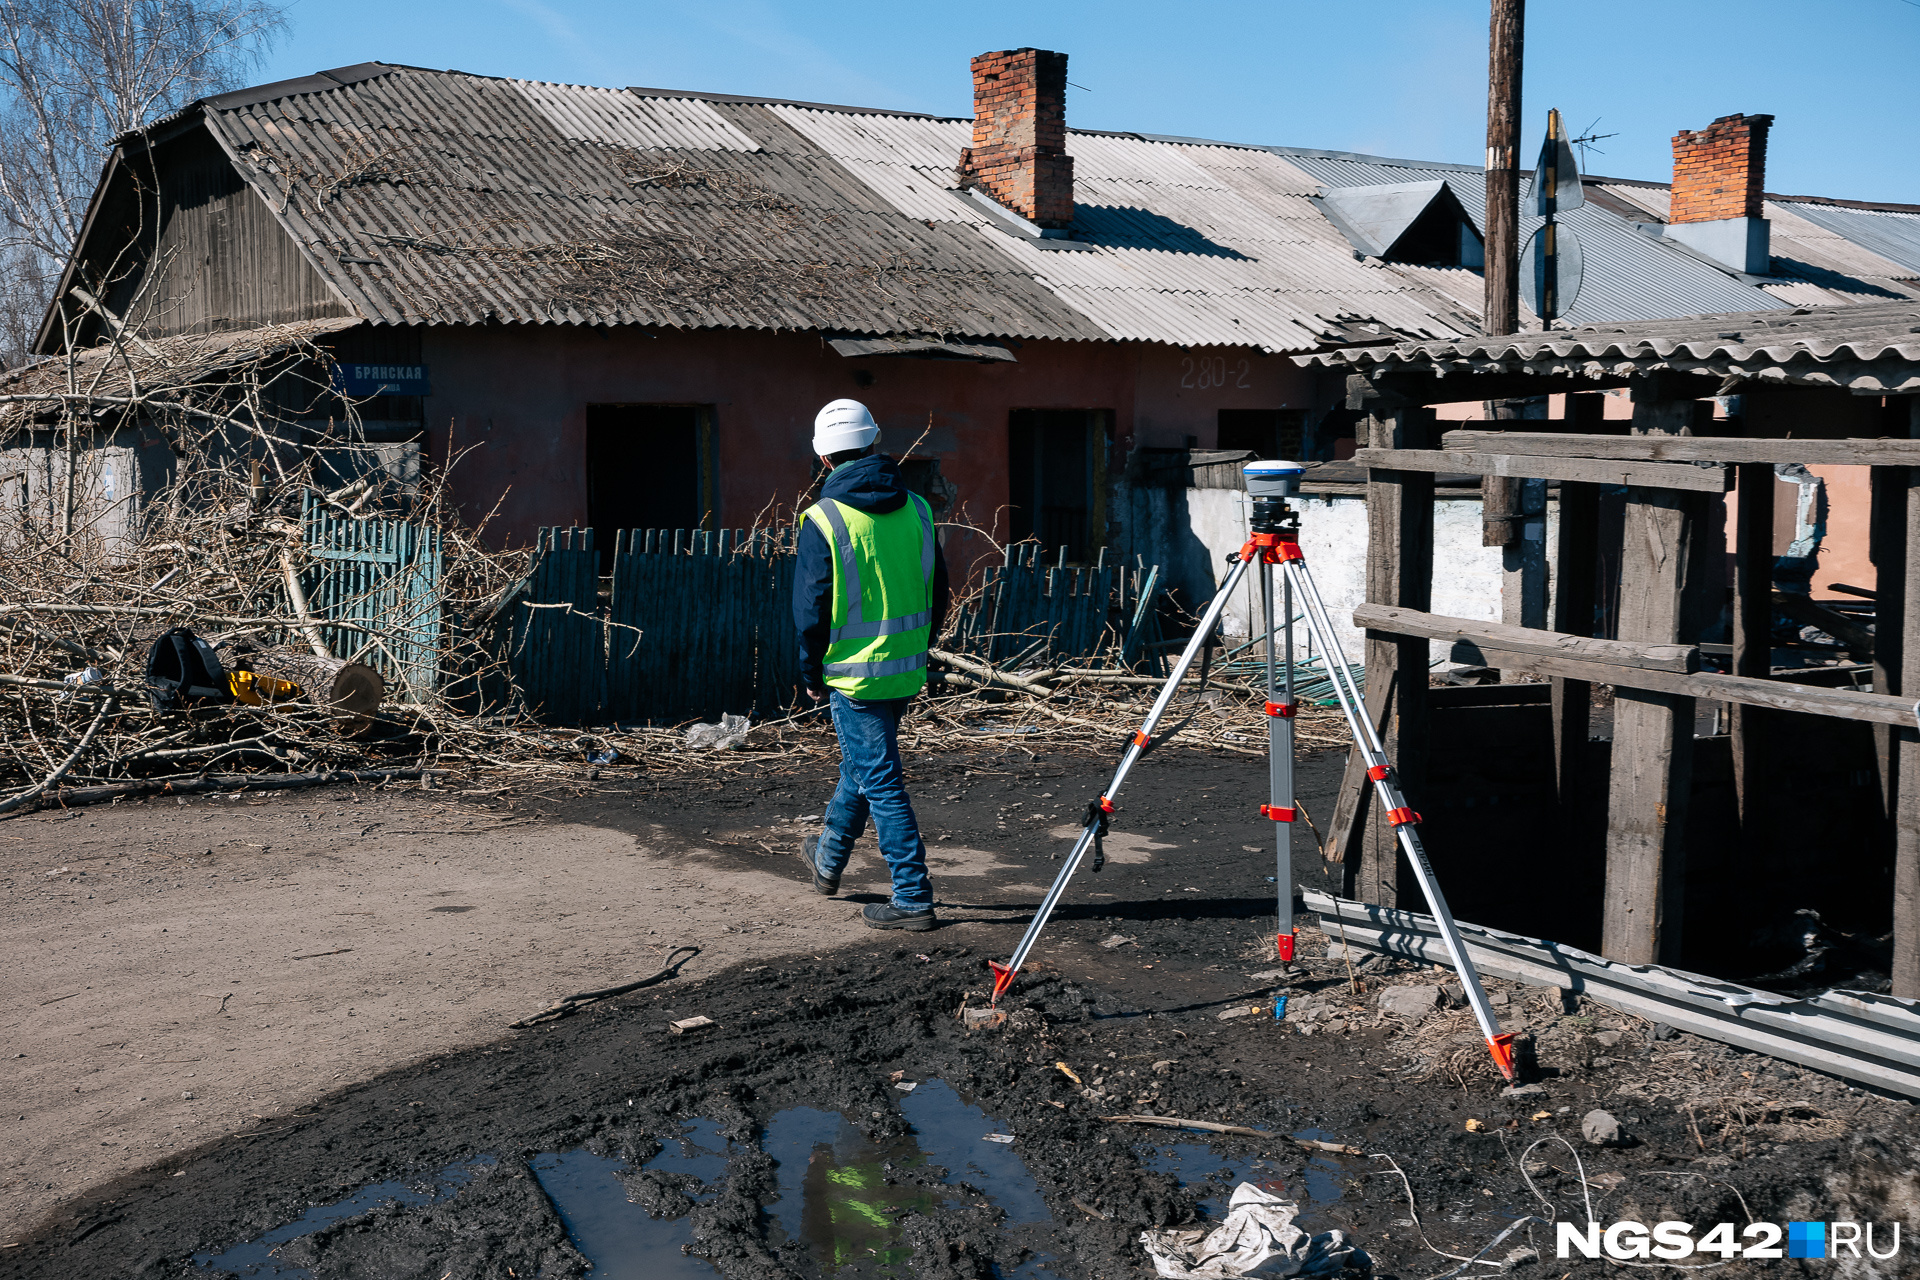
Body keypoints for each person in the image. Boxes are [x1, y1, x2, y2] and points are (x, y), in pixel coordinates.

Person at [793, 399, 950, 931]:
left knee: (879, 778)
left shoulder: (824, 518)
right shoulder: (919, 509)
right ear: (876, 440)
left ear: (822, 456)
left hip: (852, 676)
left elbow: (811, 609)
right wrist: (920, 649)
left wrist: (811, 673)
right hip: (905, 670)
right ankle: (828, 859)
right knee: (862, 767)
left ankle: (912, 897)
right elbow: (940, 590)